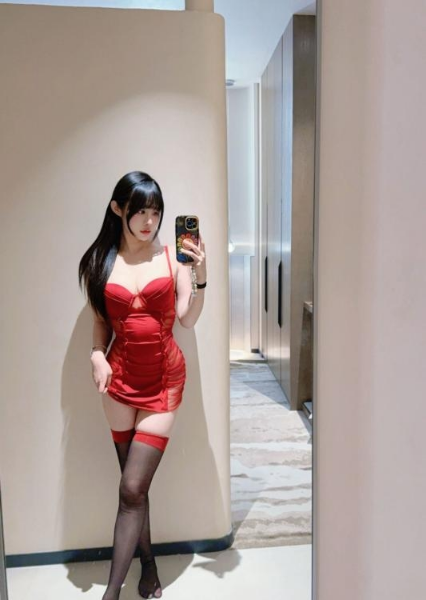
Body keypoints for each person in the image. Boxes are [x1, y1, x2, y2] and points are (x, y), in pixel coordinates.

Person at [78, 171, 207, 600]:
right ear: (119, 209)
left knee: (132, 488)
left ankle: (111, 594)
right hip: (119, 382)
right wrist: (97, 355)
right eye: (140, 212)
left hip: (163, 382)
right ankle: (148, 564)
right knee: (133, 490)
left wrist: (201, 275)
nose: (149, 221)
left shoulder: (173, 260)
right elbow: (101, 322)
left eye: (156, 212)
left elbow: (187, 318)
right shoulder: (100, 262)